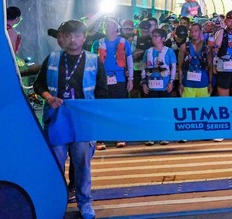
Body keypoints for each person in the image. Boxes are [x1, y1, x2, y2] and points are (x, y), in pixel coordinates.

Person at [33, 20, 107, 219]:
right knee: (55, 164)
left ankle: (85, 203)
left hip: (83, 121)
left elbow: (102, 92)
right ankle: (55, 201)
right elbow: (39, 85)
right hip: (56, 119)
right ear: (62, 38)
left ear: (84, 37)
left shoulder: (94, 60)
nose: (73, 39)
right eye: (68, 35)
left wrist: (96, 121)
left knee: (82, 164)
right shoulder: (52, 58)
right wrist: (49, 98)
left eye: (77, 35)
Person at [91, 18, 133, 149]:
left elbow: (129, 61)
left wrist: (130, 79)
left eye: (110, 25)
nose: (107, 27)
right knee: (101, 108)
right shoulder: (97, 43)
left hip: (119, 79)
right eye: (105, 25)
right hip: (101, 80)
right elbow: (92, 62)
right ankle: (101, 138)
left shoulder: (124, 43)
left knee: (119, 108)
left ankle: (120, 136)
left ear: (116, 27)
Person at [141, 28, 177, 146]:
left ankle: (164, 135)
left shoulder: (169, 51)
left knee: (164, 110)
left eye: (156, 36)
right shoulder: (148, 52)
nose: (154, 38)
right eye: (153, 36)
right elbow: (143, 67)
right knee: (151, 111)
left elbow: (173, 67)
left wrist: (171, 81)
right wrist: (143, 83)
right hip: (151, 85)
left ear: (163, 38)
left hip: (164, 85)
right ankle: (151, 135)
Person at [178, 22, 212, 98]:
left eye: (196, 31)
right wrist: (180, 83)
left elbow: (210, 66)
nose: (193, 33)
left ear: (201, 31)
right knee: (187, 104)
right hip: (187, 84)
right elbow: (180, 67)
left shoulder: (207, 47)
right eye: (191, 31)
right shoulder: (184, 47)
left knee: (203, 104)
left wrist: (210, 82)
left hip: (203, 83)